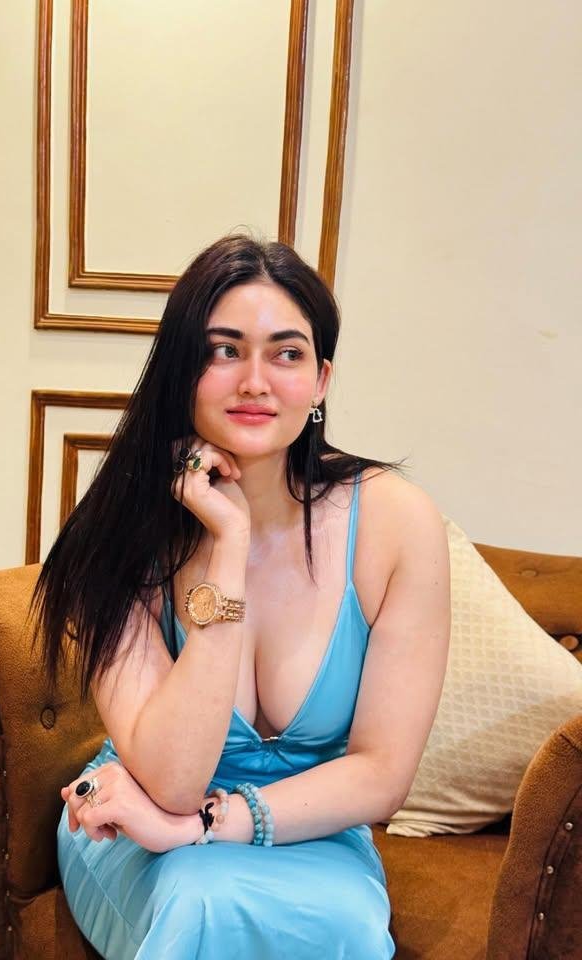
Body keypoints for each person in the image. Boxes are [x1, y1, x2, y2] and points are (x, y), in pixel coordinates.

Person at [29, 233, 451, 959]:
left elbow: (382, 775)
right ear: (181, 370)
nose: (255, 381)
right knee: (203, 901)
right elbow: (172, 780)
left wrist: (202, 826)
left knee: (346, 924)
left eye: (286, 354)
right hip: (139, 824)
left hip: (310, 831)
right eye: (224, 350)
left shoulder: (396, 522)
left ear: (320, 381)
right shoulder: (120, 535)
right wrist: (227, 542)